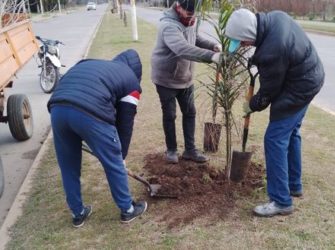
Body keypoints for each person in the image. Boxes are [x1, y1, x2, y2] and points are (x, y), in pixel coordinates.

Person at [225, 9, 325, 217]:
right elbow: (273, 55)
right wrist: (256, 61)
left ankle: (281, 200)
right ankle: (293, 184)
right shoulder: (273, 19)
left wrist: (252, 105)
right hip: (311, 76)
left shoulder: (273, 50)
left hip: (298, 87)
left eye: (243, 42)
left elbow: (269, 92)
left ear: (249, 33)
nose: (244, 47)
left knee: (274, 138)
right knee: (291, 133)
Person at [47, 49, 147, 227]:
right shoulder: (131, 82)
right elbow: (125, 123)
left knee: (68, 165)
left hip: (57, 109)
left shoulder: (90, 63)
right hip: (89, 112)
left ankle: (78, 213)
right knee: (113, 163)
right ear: (137, 72)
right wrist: (120, 155)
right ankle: (128, 209)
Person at [151, 0, 221, 164]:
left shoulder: (190, 21)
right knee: (170, 115)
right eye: (189, 14)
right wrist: (211, 56)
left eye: (194, 14)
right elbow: (182, 48)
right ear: (178, 7)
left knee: (190, 112)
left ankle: (190, 150)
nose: (192, 18)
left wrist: (213, 46)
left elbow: (194, 38)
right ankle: (172, 150)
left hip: (186, 78)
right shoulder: (168, 25)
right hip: (166, 79)